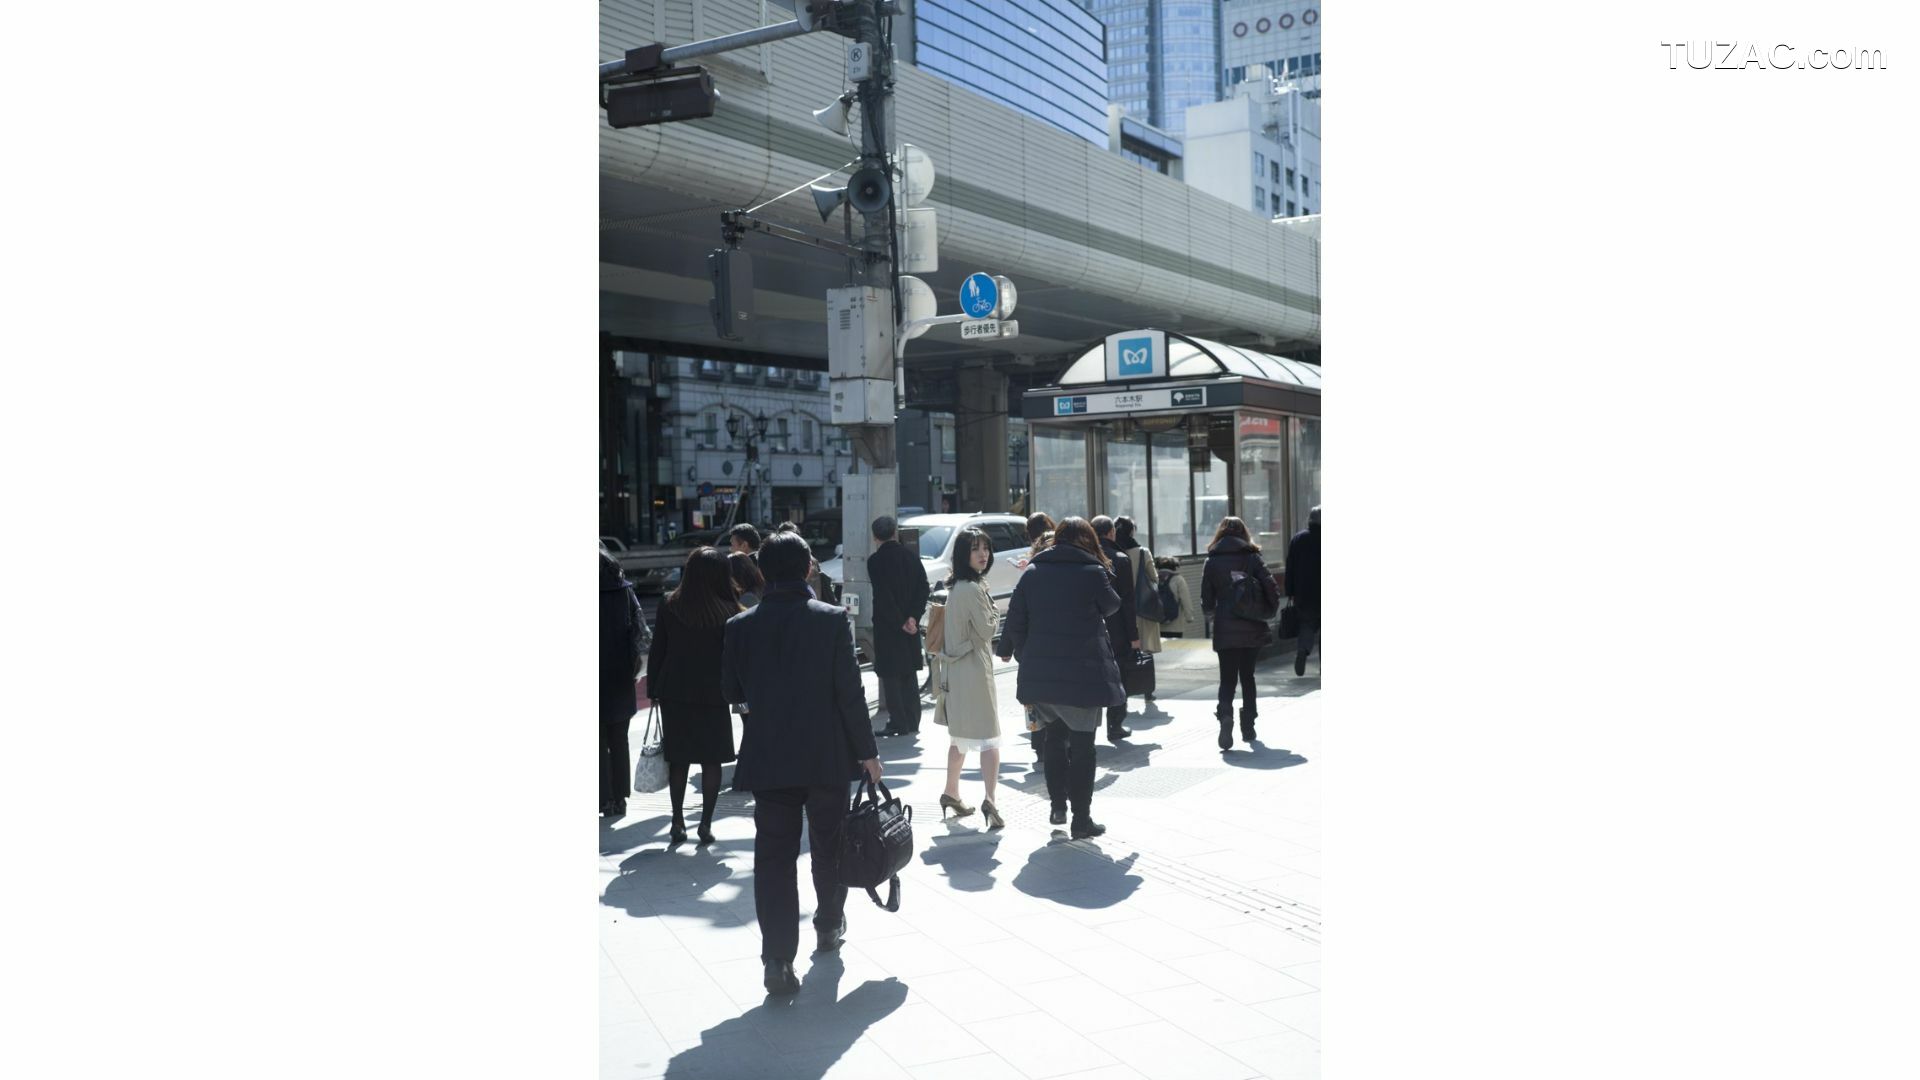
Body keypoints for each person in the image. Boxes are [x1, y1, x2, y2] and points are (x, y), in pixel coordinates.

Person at [722, 532, 883, 996]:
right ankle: (829, 924)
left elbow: (731, 691)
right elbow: (850, 695)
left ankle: (777, 960)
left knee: (774, 857)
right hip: (826, 754)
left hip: (769, 756)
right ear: (809, 567)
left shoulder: (739, 626)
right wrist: (868, 753)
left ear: (762, 572)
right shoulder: (831, 620)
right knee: (829, 845)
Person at [1000, 517, 1123, 840]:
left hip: (1042, 675)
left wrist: (1027, 655)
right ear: (1088, 540)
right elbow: (1112, 605)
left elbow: (1015, 620)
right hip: (1083, 676)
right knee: (1083, 748)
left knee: (1053, 739)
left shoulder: (1033, 572)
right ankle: (1081, 820)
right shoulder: (1093, 572)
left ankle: (1057, 806)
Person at [646, 547, 740, 845]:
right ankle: (705, 824)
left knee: (679, 759)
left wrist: (653, 690)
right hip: (714, 693)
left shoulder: (669, 604)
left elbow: (658, 649)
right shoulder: (730, 610)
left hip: (675, 692)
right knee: (712, 760)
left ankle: (677, 821)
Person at [931, 528, 1004, 829]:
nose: (983, 554)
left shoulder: (957, 586)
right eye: (975, 549)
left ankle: (951, 792)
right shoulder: (973, 589)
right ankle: (991, 800)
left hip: (956, 671)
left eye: (985, 548)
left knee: (959, 737)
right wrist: (995, 613)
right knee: (989, 738)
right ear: (964, 554)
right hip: (974, 670)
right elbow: (987, 630)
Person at [1201, 516, 1281, 750]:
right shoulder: (1252, 557)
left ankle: (1226, 715)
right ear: (1243, 533)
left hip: (1225, 627)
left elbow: (1207, 597)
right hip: (1252, 625)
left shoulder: (1212, 560)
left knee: (1227, 679)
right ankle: (1248, 726)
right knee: (1248, 676)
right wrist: (1268, 609)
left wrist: (1212, 616)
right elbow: (1271, 586)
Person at [868, 515, 930, 738]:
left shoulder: (875, 562)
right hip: (910, 626)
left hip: (888, 627)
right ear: (895, 532)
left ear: (875, 537)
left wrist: (900, 622)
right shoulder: (911, 557)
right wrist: (913, 617)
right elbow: (923, 588)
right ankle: (913, 721)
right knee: (909, 673)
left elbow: (883, 597)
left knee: (891, 675)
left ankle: (898, 723)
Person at [601, 551, 650, 818]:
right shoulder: (624, 591)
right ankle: (620, 798)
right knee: (619, 738)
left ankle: (603, 798)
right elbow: (641, 630)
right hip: (620, 672)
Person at [1091, 516, 1141, 743]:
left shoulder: (1086, 557)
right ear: (1111, 533)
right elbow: (1128, 602)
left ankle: (1089, 729)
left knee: (1091, 677)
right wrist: (1134, 636)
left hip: (1091, 628)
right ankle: (1115, 724)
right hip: (1118, 628)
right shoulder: (1121, 559)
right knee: (1119, 676)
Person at [1113, 516, 1159, 701]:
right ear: (1131, 530)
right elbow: (1154, 577)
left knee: (1121, 650)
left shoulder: (1111, 552)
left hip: (1118, 607)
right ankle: (1146, 689)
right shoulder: (1142, 552)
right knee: (1144, 648)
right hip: (1141, 606)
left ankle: (1123, 688)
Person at [1285, 506, 1321, 676]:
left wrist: (1290, 590)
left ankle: (1302, 650)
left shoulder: (1298, 539)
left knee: (1307, 625)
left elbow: (1290, 567)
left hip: (1304, 593)